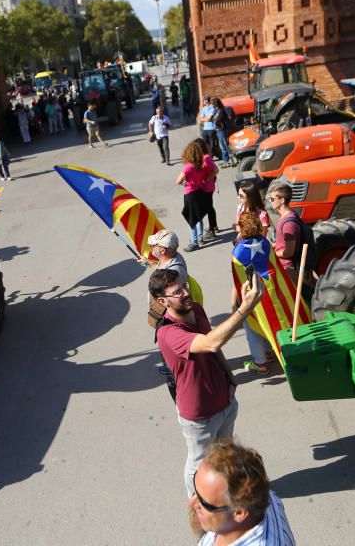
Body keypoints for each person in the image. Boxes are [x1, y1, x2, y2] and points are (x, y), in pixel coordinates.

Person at [149, 267, 263, 498]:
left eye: (185, 286)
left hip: (225, 402)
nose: (186, 292)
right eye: (177, 291)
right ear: (163, 300)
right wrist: (245, 308)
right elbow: (210, 343)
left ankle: (224, 493)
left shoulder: (197, 310)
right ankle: (198, 503)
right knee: (199, 464)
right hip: (199, 415)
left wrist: (231, 380)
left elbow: (215, 348)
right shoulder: (168, 334)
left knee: (225, 455)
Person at [191, 439, 295, 545]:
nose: (194, 503)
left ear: (239, 513)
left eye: (204, 502)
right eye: (196, 490)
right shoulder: (261, 496)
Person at [231, 212, 274, 376]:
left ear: (242, 228)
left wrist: (236, 303)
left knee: (252, 329)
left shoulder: (238, 252)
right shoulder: (265, 242)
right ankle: (268, 352)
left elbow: (237, 279)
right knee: (267, 321)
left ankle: (259, 362)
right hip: (268, 289)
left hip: (250, 294)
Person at [268, 184, 316, 283]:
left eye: (272, 199)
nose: (270, 201)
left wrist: (273, 254)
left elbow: (289, 252)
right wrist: (274, 245)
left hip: (289, 269)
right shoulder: (285, 216)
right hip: (286, 266)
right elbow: (285, 243)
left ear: (282, 200)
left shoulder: (289, 224)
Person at [177, 140, 213, 252]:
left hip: (190, 194)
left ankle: (194, 242)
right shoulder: (200, 165)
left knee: (191, 218)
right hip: (199, 192)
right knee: (198, 216)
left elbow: (178, 181)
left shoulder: (188, 167)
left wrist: (186, 183)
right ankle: (200, 237)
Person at [196, 138, 221, 241]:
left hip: (208, 187)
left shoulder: (206, 157)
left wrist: (206, 179)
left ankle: (212, 231)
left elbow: (216, 170)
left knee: (207, 208)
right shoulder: (201, 157)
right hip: (205, 187)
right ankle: (213, 227)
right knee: (210, 207)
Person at [212, 98, 232, 166]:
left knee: (224, 146)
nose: (212, 105)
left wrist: (215, 120)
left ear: (216, 104)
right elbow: (215, 119)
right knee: (221, 146)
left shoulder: (221, 111)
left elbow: (218, 120)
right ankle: (224, 160)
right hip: (218, 130)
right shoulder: (217, 110)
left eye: (213, 103)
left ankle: (227, 161)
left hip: (221, 130)